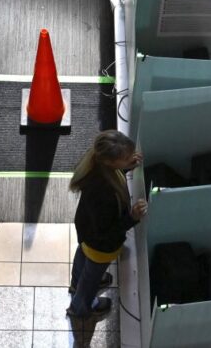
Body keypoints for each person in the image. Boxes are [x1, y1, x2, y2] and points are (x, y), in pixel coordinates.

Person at [66, 131, 148, 319]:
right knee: (90, 282)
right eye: (126, 158)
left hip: (86, 236)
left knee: (82, 260)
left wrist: (127, 167)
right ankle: (79, 308)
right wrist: (133, 217)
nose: (130, 159)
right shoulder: (104, 193)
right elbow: (108, 231)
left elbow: (113, 175)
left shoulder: (96, 168)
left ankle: (75, 283)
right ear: (111, 163)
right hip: (100, 247)